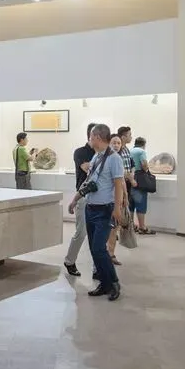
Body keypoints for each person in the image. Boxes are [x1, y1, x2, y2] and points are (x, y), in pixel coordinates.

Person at [67, 123, 125, 301]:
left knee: (99, 248)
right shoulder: (96, 157)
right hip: (90, 208)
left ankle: (113, 283)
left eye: (91, 137)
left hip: (104, 210)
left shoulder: (114, 159)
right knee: (94, 249)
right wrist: (75, 199)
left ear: (98, 138)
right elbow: (89, 181)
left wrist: (117, 208)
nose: (90, 140)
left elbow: (118, 184)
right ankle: (104, 284)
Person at [64, 123, 96, 277]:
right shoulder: (80, 152)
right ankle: (69, 261)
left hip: (99, 199)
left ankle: (97, 269)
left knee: (97, 236)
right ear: (91, 136)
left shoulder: (103, 153)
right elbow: (87, 168)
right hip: (83, 196)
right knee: (81, 232)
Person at [109, 128, 135, 265]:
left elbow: (121, 181)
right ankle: (107, 255)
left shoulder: (119, 158)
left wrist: (125, 196)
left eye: (118, 143)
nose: (116, 145)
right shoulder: (105, 158)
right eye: (114, 143)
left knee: (115, 228)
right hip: (108, 199)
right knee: (110, 229)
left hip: (117, 199)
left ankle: (111, 254)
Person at [130, 137, 155, 235]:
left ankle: (131, 226)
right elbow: (144, 165)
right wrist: (147, 170)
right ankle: (142, 227)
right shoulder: (141, 151)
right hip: (139, 180)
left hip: (130, 178)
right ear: (144, 144)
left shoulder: (130, 151)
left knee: (131, 204)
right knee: (141, 204)